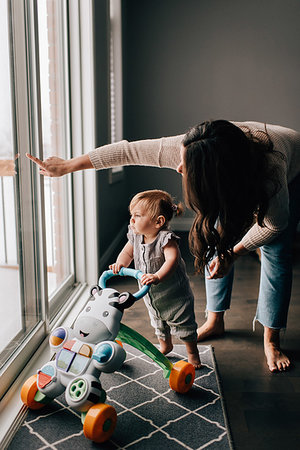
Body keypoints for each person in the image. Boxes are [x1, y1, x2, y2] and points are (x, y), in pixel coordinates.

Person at [26, 119, 300, 372]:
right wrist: (67, 166)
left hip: (292, 169)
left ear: (210, 172)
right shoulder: (191, 148)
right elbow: (127, 152)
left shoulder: (270, 173)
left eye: (185, 166)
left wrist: (235, 252)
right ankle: (215, 321)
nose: (179, 168)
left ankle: (271, 340)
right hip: (228, 174)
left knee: (275, 253)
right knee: (214, 240)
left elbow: (274, 225)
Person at [108, 189, 201, 368]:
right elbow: (128, 252)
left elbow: (172, 260)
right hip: (152, 296)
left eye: (137, 215)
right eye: (131, 215)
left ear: (158, 221)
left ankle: (192, 352)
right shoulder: (135, 235)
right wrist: (120, 263)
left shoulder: (166, 239)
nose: (132, 220)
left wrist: (158, 276)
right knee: (158, 322)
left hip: (174, 295)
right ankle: (166, 345)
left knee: (184, 325)